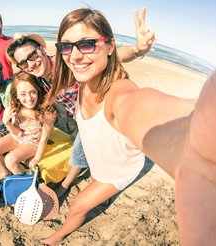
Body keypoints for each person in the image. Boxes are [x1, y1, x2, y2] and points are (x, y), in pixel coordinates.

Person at [40, 8, 216, 245]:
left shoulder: (118, 92)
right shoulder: (84, 76)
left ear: (109, 46)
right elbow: (117, 56)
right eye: (67, 46)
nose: (76, 56)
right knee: (93, 178)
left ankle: (57, 237)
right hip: (101, 161)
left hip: (119, 170)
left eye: (88, 44)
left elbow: (140, 109)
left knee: (78, 206)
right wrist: (138, 49)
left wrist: (197, 139)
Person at [6, 7, 156, 197]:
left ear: (42, 49)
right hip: (78, 116)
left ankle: (66, 185)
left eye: (33, 56)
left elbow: (113, 56)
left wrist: (137, 50)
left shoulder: (66, 62)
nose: (31, 64)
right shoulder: (37, 80)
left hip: (97, 113)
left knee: (81, 149)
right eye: (23, 63)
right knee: (91, 152)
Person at [0, 71, 56, 180]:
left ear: (38, 90)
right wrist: (7, 122)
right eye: (23, 94)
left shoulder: (47, 111)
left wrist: (36, 158)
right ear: (17, 95)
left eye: (32, 92)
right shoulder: (15, 105)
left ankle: (23, 178)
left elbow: (44, 139)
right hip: (18, 137)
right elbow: (16, 132)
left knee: (10, 159)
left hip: (33, 143)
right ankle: (6, 172)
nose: (29, 98)